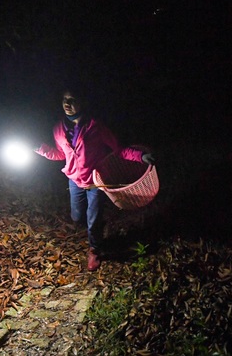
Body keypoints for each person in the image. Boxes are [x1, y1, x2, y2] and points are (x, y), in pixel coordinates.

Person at [35, 87, 155, 271]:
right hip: (74, 180)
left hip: (96, 181)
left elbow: (119, 149)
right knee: (77, 216)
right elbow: (61, 154)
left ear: (82, 102)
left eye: (72, 99)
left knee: (93, 218)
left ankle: (95, 250)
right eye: (65, 99)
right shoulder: (58, 129)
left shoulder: (95, 126)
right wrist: (40, 148)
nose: (67, 104)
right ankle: (96, 230)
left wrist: (140, 157)